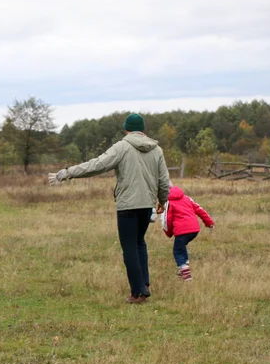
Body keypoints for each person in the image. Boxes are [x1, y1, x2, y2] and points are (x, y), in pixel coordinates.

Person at [49, 113, 170, 304]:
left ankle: (138, 293)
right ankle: (144, 284)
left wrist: (69, 172)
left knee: (130, 247)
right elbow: (164, 181)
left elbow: (97, 165)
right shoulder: (157, 150)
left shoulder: (122, 147)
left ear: (126, 129)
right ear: (143, 130)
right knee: (140, 243)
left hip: (128, 206)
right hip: (147, 205)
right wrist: (162, 201)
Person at [161, 184, 214, 281]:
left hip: (182, 231)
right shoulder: (187, 198)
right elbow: (200, 210)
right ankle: (184, 266)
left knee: (177, 251)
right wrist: (209, 222)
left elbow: (167, 220)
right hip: (194, 230)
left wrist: (168, 233)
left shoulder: (169, 203)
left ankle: (185, 272)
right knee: (181, 247)